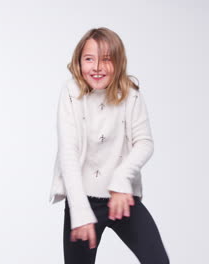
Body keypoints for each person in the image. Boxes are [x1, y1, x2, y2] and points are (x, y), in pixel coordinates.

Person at [49, 27, 169, 264]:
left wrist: (121, 179)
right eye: (89, 59)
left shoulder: (130, 93)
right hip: (83, 200)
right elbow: (68, 153)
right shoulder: (71, 92)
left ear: (118, 62)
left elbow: (144, 142)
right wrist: (81, 212)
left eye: (106, 59)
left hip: (121, 199)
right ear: (79, 61)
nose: (96, 67)